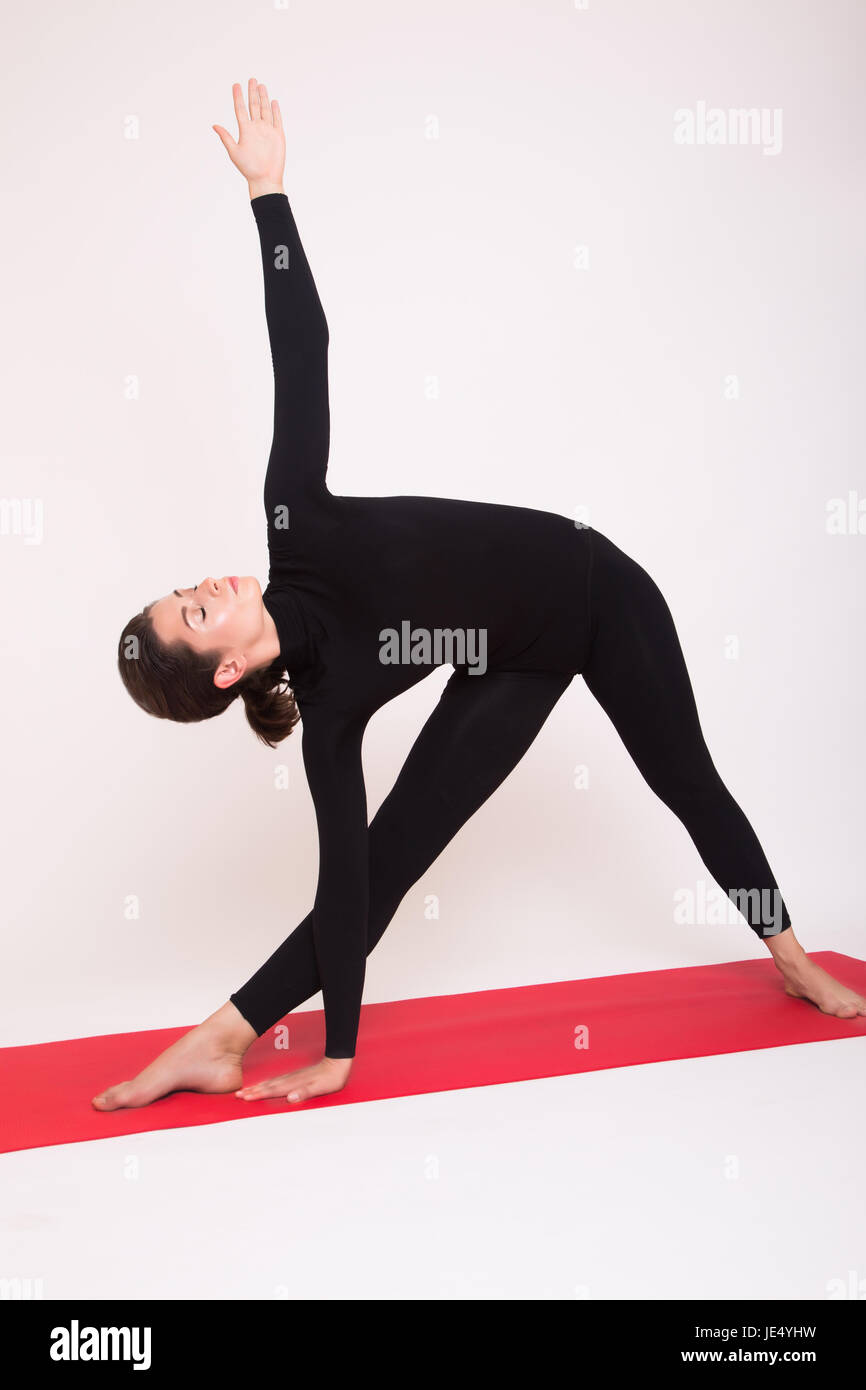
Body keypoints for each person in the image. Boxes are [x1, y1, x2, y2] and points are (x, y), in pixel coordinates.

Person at [93, 79, 865, 1112]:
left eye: (185, 588)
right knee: (384, 859)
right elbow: (347, 888)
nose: (208, 584)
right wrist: (343, 1051)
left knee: (685, 780)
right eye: (196, 611)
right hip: (511, 658)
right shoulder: (329, 717)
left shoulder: (293, 523)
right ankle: (220, 1036)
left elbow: (301, 354)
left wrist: (268, 195)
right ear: (229, 669)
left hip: (599, 592)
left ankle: (792, 955)